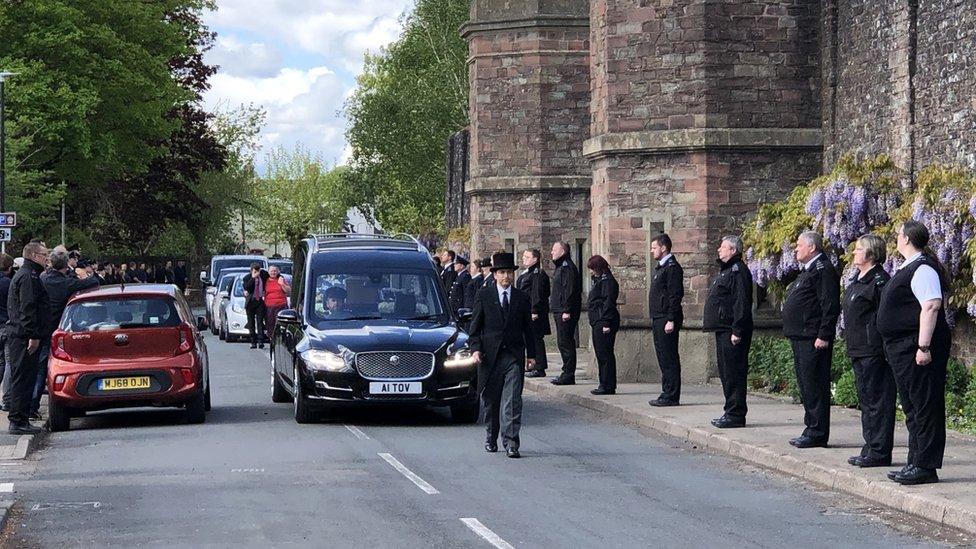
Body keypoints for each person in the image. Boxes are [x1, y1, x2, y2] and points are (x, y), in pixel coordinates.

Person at [878, 221, 951, 485]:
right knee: (912, 406)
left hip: (916, 347)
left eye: (898, 235)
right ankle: (914, 460)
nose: (896, 239)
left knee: (925, 405)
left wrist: (923, 346)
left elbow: (931, 306)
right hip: (901, 347)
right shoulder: (908, 268)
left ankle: (925, 465)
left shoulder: (922, 269)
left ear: (907, 239)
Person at [468, 252, 536, 458]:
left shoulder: (521, 298)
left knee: (512, 400)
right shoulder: (484, 295)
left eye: (509, 272)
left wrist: (531, 355)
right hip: (490, 357)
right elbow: (475, 328)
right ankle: (491, 437)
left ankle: (512, 442)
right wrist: (475, 349)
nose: (506, 276)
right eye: (502, 272)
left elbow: (528, 329)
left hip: (513, 356)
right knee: (491, 401)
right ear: (495, 274)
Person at [841, 234, 895, 467]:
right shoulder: (858, 280)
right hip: (858, 348)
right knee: (866, 400)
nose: (854, 253)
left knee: (878, 401)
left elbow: (885, 318)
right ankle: (870, 445)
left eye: (859, 249)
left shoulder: (880, 281)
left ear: (871, 254)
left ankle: (880, 451)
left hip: (873, 350)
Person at [782, 231, 840, 448]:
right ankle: (811, 427)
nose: (795, 249)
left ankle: (817, 432)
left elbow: (829, 305)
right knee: (806, 385)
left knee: (815, 384)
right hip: (801, 335)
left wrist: (824, 334)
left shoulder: (822, 269)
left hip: (812, 337)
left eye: (799, 245)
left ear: (812, 248)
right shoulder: (809, 270)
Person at [36, 251, 100, 419]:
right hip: (57, 328)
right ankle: (33, 405)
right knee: (46, 366)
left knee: (39, 367)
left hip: (40, 326)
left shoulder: (43, 278)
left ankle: (31, 406)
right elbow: (93, 282)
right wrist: (86, 273)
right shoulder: (65, 283)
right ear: (66, 265)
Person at [702, 236, 754, 427]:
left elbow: (741, 303)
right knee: (726, 373)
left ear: (733, 250)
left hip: (731, 330)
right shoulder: (726, 270)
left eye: (723, 247)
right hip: (722, 328)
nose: (719, 250)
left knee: (734, 373)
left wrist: (737, 330)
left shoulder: (737, 271)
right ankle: (730, 410)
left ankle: (736, 414)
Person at [6, 241, 51, 434]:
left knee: (26, 378)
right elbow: (28, 307)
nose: (46, 259)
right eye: (43, 255)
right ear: (33, 256)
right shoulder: (28, 277)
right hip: (24, 337)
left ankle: (21, 419)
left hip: (23, 335)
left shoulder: (27, 275)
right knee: (23, 379)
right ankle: (18, 421)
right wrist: (32, 334)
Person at [648, 233, 685, 407]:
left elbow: (674, 295)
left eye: (654, 247)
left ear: (663, 248)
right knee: (662, 356)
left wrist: (671, 318)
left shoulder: (672, 267)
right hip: (658, 316)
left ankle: (671, 394)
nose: (652, 250)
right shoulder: (661, 267)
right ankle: (666, 391)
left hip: (666, 318)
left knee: (669, 356)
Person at [586, 255, 620, 395]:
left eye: (593, 269)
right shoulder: (600, 281)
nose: (592, 272)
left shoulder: (607, 282)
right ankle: (604, 383)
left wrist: (606, 322)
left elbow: (608, 302)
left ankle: (607, 385)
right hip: (598, 320)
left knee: (605, 354)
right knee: (601, 354)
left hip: (603, 321)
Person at [549, 242, 581, 386]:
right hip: (559, 309)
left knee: (566, 342)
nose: (552, 252)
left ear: (562, 251)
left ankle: (568, 373)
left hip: (564, 311)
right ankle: (566, 371)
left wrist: (567, 309)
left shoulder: (567, 268)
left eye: (554, 250)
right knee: (562, 342)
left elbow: (570, 290)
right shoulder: (560, 267)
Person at [517, 249, 551, 378]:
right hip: (526, 312)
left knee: (536, 340)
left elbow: (537, 294)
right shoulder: (527, 273)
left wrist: (534, 310)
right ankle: (533, 364)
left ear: (535, 259)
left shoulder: (537, 274)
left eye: (527, 257)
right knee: (530, 339)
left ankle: (540, 367)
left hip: (534, 313)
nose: (523, 259)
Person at [243, 263, 270, 349]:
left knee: (260, 322)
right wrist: (253, 278)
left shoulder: (263, 274)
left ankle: (261, 341)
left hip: (260, 301)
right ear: (251, 271)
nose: (257, 273)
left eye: (258, 271)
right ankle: (253, 341)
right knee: (251, 323)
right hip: (251, 301)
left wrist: (280, 276)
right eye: (255, 271)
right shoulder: (247, 278)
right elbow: (247, 287)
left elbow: (274, 273)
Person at [0, 254, 14, 412]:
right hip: (6, 326)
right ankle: (7, 399)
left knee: (1, 363)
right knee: (9, 362)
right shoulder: (9, 284)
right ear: (10, 268)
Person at [264, 265, 291, 339]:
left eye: (275, 271)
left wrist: (282, 284)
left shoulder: (281, 279)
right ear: (268, 272)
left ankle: (280, 338)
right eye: (271, 271)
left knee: (280, 324)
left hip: (281, 305)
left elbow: (288, 291)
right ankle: (271, 338)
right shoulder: (265, 281)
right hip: (269, 306)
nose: (273, 272)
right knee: (270, 323)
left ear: (278, 272)